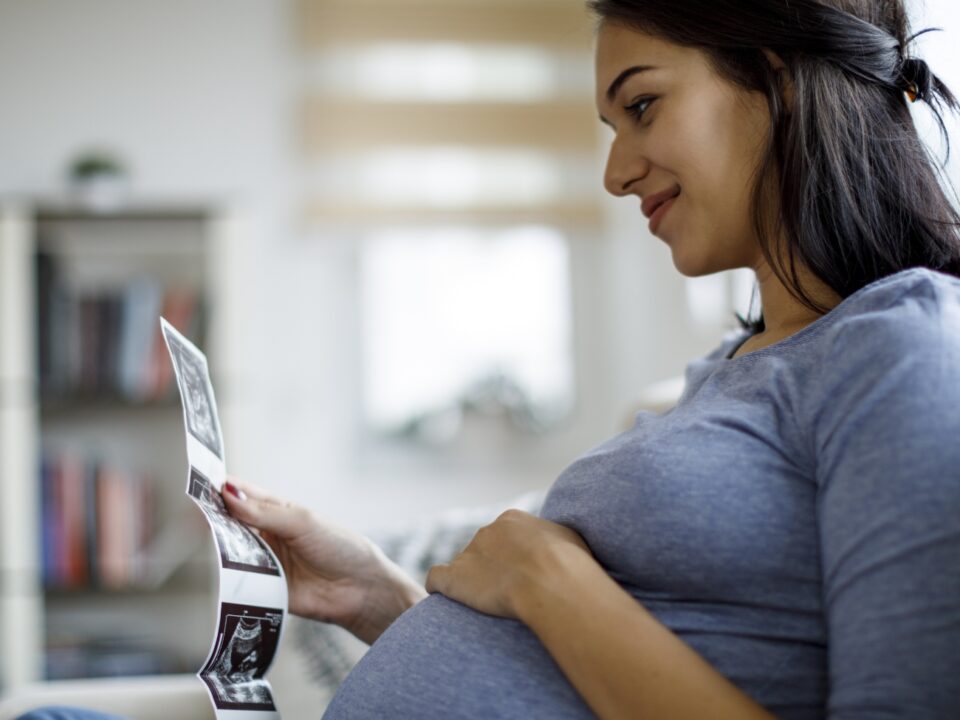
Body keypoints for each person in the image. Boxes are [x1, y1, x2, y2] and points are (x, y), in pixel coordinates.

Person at [19, 0, 960, 718]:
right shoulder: (735, 368)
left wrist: (548, 580)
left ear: (780, 75)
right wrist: (375, 594)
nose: (616, 170)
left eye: (642, 105)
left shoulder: (902, 352)